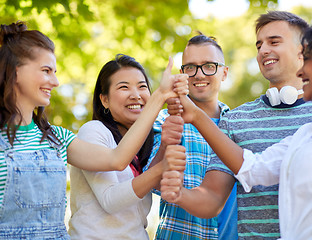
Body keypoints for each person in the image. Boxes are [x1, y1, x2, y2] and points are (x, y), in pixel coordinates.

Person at [162, 18, 312, 239]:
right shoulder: (307, 132)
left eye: (274, 42)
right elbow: (255, 169)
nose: (263, 51)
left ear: (301, 52)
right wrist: (179, 192)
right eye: (259, 45)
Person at [0, 21, 188, 239]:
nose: (56, 81)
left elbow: (116, 159)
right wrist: (159, 96)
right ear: (14, 72)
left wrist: (161, 107)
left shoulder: (57, 138)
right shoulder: (92, 131)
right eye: (46, 71)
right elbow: (112, 194)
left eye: (55, 72)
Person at [68, 54, 187, 239]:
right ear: (104, 100)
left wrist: (164, 145)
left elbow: (148, 184)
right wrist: (161, 96)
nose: (136, 95)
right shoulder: (93, 131)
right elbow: (111, 200)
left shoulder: (144, 142)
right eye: (124, 87)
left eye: (142, 86)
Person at [144, 33, 238, 240]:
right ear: (181, 74)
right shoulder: (165, 121)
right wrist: (166, 145)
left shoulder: (240, 125)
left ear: (224, 72)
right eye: (191, 68)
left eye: (209, 66)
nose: (199, 74)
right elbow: (151, 182)